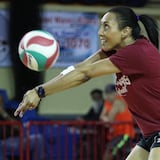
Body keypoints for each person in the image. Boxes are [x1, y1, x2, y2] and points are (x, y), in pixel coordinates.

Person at [14, 6, 160, 160]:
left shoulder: (136, 52)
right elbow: (79, 68)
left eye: (106, 26)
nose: (100, 32)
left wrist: (40, 92)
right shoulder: (116, 51)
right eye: (100, 26)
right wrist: (39, 90)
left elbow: (84, 74)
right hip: (150, 134)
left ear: (125, 31)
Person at [100, 84, 135, 160]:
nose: (108, 96)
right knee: (115, 153)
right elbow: (102, 117)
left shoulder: (118, 101)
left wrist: (106, 120)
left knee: (110, 152)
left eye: (110, 94)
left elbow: (110, 119)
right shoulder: (109, 102)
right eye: (107, 94)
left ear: (115, 93)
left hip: (124, 134)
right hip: (117, 134)